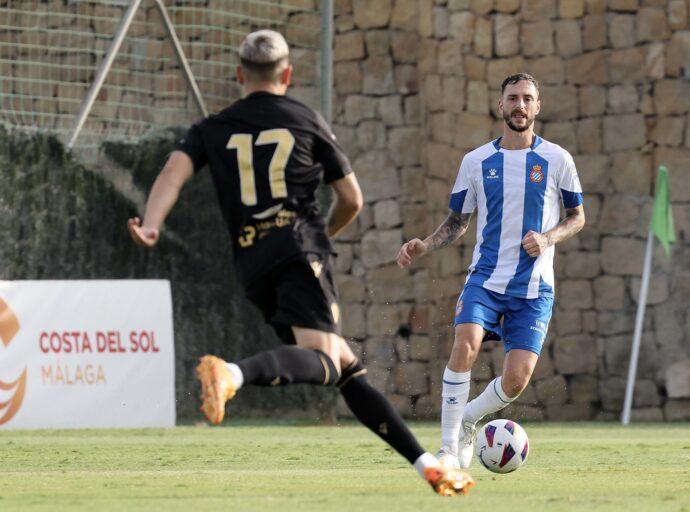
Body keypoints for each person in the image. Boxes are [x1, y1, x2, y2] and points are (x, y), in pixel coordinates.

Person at [127, 29, 472, 496]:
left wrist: (151, 224)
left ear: (238, 76)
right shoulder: (304, 119)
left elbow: (173, 172)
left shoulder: (213, 127)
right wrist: (321, 237)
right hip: (298, 250)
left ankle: (428, 466)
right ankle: (232, 373)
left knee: (347, 369)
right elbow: (351, 198)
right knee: (326, 361)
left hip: (252, 264)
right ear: (288, 74)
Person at [396, 73, 586, 469]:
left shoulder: (557, 160)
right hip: (485, 278)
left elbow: (577, 217)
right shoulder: (477, 161)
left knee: (516, 381)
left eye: (527, 99)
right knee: (464, 342)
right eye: (512, 98)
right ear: (500, 106)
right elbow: (457, 221)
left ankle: (468, 419)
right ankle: (449, 449)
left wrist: (548, 238)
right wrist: (425, 244)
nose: (519, 105)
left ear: (538, 106)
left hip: (534, 287)